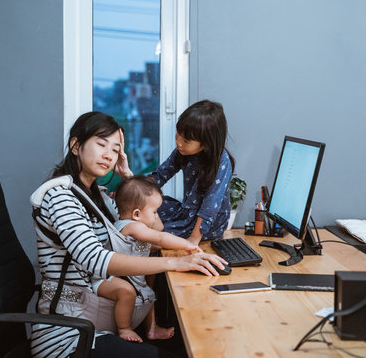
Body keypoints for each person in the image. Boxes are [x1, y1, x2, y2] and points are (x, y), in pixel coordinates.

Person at [29, 112, 227, 358]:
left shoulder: (98, 196)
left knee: (196, 347)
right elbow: (96, 260)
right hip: (69, 337)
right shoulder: (61, 196)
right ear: (76, 146)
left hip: (98, 324)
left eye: (115, 149)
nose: (108, 155)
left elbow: (155, 228)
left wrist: (129, 178)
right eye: (101, 145)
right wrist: (177, 262)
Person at [97, 175, 202, 343]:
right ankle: (124, 328)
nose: (156, 216)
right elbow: (160, 238)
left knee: (149, 292)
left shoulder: (129, 225)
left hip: (134, 277)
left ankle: (151, 329)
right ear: (137, 214)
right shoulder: (132, 226)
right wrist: (188, 244)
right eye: (154, 212)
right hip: (119, 279)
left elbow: (150, 245)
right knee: (127, 294)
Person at [150, 100, 235, 245]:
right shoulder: (182, 151)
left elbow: (209, 208)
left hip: (207, 224)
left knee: (155, 236)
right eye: (178, 135)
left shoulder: (222, 162)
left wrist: (193, 240)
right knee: (149, 209)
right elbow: (160, 175)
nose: (179, 142)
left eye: (186, 140)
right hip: (187, 213)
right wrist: (134, 192)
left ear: (207, 143)